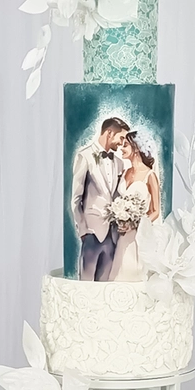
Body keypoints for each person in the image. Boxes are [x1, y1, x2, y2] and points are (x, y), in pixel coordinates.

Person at [71, 116, 130, 281]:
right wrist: (83, 230)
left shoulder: (119, 163)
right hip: (91, 233)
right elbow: (76, 198)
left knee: (104, 286)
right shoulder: (84, 156)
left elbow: (117, 196)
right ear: (109, 133)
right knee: (86, 285)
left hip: (112, 235)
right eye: (121, 138)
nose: (122, 143)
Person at [108, 130, 161, 282]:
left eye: (125, 145)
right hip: (122, 234)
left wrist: (136, 224)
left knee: (135, 272)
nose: (121, 148)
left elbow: (155, 210)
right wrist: (120, 217)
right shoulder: (125, 173)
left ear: (136, 148)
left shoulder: (150, 175)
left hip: (138, 235)